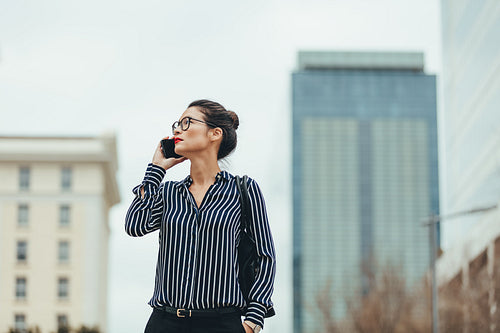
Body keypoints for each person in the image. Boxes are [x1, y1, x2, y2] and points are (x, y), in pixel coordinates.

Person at [125, 99, 276, 333]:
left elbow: (265, 256)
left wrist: (253, 320)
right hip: (165, 322)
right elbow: (135, 225)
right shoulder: (168, 193)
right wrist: (156, 170)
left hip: (221, 323)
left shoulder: (243, 190)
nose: (177, 129)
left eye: (187, 123)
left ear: (215, 134)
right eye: (177, 124)